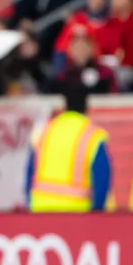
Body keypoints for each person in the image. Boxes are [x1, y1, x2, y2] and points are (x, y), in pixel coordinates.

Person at [26, 83, 111, 212]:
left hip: (40, 207)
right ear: (86, 108)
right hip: (76, 210)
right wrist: (97, 211)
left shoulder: (45, 130)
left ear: (64, 107)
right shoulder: (92, 135)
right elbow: (102, 178)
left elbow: (30, 170)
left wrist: (29, 202)